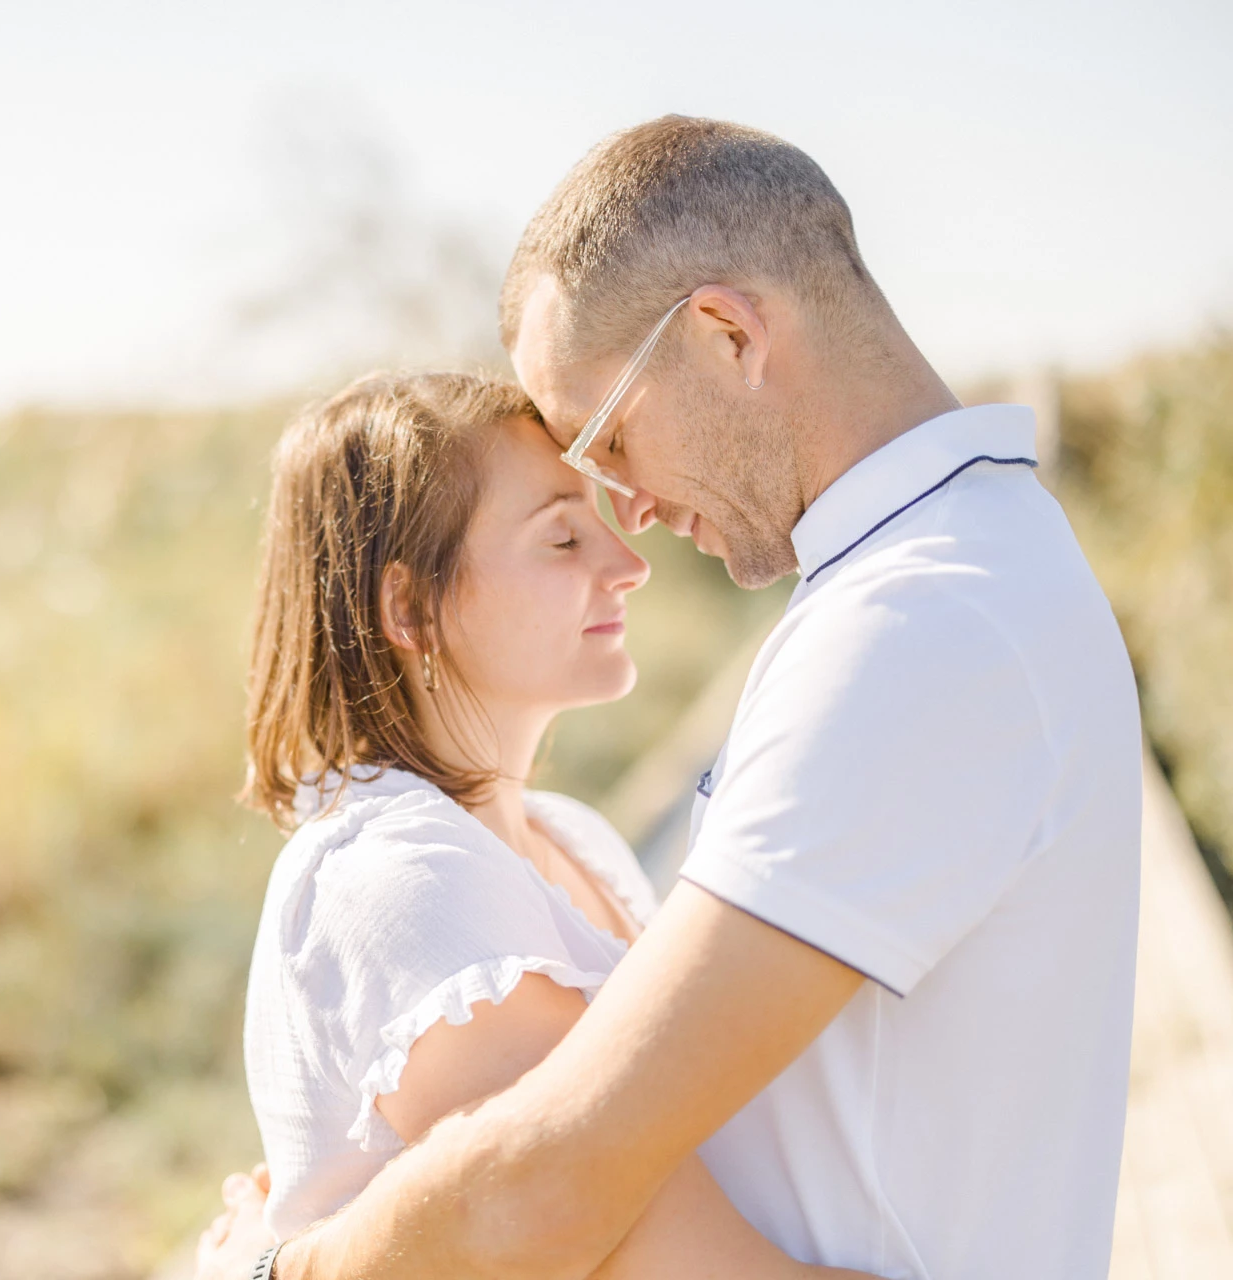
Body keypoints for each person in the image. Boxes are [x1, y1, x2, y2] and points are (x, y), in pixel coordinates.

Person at [199, 116, 1141, 1280]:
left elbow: (555, 1178)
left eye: (607, 436)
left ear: (727, 334)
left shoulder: (919, 623)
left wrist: (277, 1267)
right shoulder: (959, 577)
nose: (627, 514)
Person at [231, 370, 877, 1277]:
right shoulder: (400, 878)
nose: (629, 564)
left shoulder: (571, 837)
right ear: (409, 608)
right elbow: (652, 1256)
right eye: (564, 537)